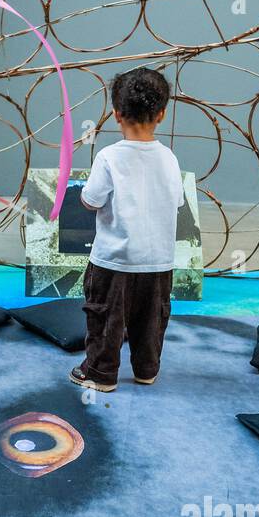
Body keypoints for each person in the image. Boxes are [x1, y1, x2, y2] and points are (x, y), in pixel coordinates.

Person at [70, 66, 181, 392]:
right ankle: (147, 370)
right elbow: (176, 202)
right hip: (159, 262)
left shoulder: (108, 157)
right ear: (161, 114)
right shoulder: (169, 158)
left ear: (116, 114)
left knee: (105, 317)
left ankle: (101, 374)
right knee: (151, 320)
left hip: (113, 261)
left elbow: (91, 200)